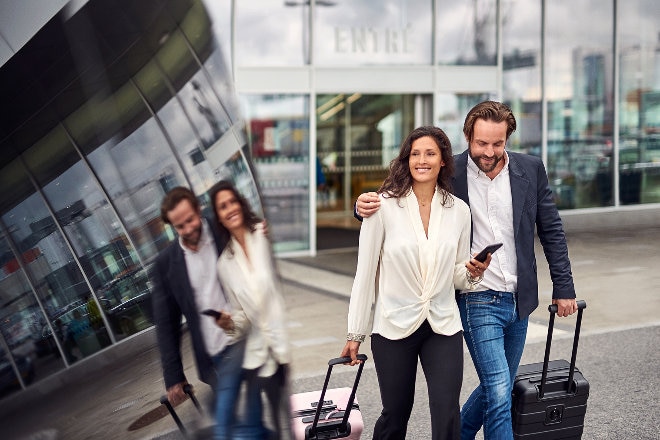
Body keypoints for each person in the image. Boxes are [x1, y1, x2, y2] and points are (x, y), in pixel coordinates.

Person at [356, 101, 578, 439]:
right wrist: (363, 208)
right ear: (467, 137)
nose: (489, 152)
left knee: (495, 387)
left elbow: (552, 230)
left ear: (508, 138)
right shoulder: (450, 172)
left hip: (518, 298)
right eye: (481, 143)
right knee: (500, 387)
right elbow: (404, 194)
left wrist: (564, 287)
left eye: (498, 143)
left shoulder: (530, 169)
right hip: (476, 297)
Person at [342, 126, 491, 440]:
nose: (422, 160)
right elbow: (365, 275)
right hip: (393, 326)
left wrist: (474, 272)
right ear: (406, 160)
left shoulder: (459, 211)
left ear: (442, 161)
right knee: (395, 414)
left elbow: (456, 276)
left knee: (447, 412)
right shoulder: (380, 207)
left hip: (443, 325)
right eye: (415, 154)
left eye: (430, 153)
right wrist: (355, 332)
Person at [151, 186, 257, 440]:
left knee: (245, 420)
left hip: (246, 340)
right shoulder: (166, 264)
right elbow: (166, 324)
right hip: (214, 356)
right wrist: (173, 376)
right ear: (171, 226)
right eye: (180, 226)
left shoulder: (224, 230)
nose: (188, 229)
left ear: (198, 210)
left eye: (190, 220)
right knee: (232, 424)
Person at [209, 180, 293, 439]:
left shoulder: (263, 236)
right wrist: (229, 324)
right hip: (259, 353)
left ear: (241, 204)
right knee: (279, 423)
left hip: (284, 342)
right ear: (219, 218)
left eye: (232, 202)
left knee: (290, 417)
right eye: (223, 207)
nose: (230, 209)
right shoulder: (225, 263)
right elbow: (241, 315)